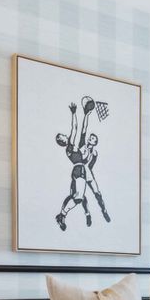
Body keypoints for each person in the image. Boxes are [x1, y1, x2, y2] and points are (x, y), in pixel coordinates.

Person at [54, 97, 111, 231]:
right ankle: (62, 215)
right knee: (79, 198)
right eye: (62, 136)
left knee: (82, 196)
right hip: (79, 170)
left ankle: (99, 211)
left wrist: (86, 115)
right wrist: (74, 113)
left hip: (83, 170)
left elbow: (82, 129)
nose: (64, 135)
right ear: (63, 141)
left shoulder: (75, 147)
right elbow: (75, 128)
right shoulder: (70, 147)